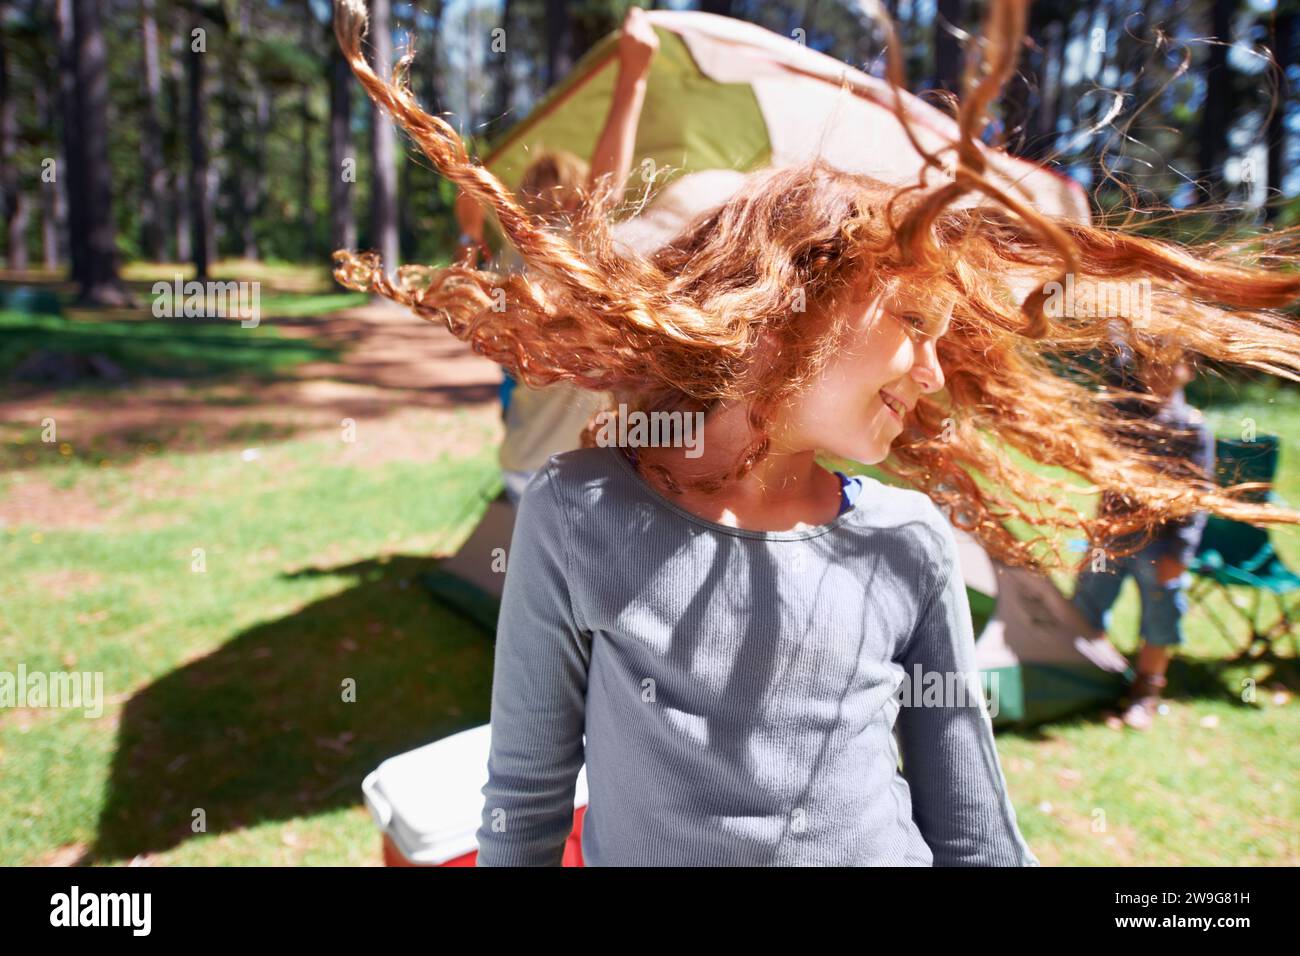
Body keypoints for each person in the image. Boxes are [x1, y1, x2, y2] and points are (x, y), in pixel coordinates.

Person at [331, 0, 1300, 865]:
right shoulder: (579, 513)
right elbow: (528, 797)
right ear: (788, 305)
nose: (929, 376)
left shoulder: (906, 540)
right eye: (915, 326)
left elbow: (969, 822)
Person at [454, 6, 660, 506]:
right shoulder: (561, 250)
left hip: (525, 462)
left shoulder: (509, 260)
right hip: (565, 473)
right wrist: (633, 77)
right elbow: (605, 193)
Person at [1072, 340, 1215, 730]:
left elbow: (1196, 498)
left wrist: (1180, 554)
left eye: (1170, 367)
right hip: (1114, 533)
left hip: (1163, 543)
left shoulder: (1193, 427)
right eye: (1151, 366)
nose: (1160, 375)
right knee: (1087, 602)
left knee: (1161, 612)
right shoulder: (1120, 409)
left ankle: (1146, 694)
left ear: (1187, 370)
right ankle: (1092, 680)